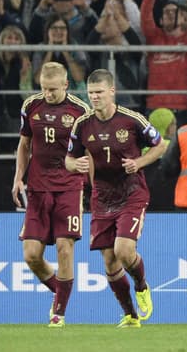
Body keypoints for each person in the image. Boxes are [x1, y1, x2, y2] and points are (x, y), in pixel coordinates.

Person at [65, 68, 167, 328]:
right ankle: (131, 315)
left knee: (123, 250)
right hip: (101, 196)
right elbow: (68, 159)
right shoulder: (82, 124)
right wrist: (74, 165)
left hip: (131, 192)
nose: (94, 98)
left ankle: (142, 286)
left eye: (99, 92)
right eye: (90, 93)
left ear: (112, 91)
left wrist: (140, 161)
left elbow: (161, 144)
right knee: (110, 262)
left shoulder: (131, 120)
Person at [12, 61, 92, 327]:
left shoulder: (81, 111)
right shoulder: (30, 106)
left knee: (64, 247)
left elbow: (90, 151)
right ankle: (61, 290)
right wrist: (17, 178)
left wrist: (96, 183)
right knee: (31, 254)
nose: (48, 94)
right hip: (37, 187)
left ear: (66, 85)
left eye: (54, 90)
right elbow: (24, 144)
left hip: (69, 185)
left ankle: (59, 311)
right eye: (45, 89)